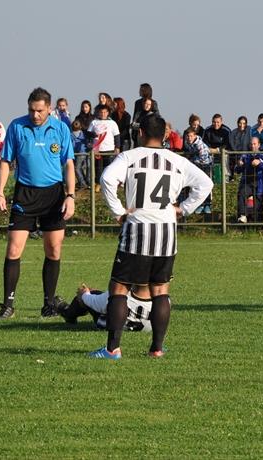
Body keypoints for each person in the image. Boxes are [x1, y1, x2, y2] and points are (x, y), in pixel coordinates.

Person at [90, 114, 213, 359]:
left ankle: (112, 349)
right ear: (165, 135)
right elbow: (206, 184)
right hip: (167, 232)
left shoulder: (129, 157)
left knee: (119, 288)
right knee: (160, 290)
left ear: (140, 133)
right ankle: (156, 349)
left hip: (138, 229)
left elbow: (106, 179)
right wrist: (183, 209)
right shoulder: (177, 160)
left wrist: (118, 212)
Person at [0, 87, 76, 319]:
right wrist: (0, 193)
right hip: (25, 194)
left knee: (53, 249)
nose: (35, 115)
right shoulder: (17, 126)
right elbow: (6, 162)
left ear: (49, 108)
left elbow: (69, 164)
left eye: (40, 110)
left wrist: (70, 196)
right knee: (13, 249)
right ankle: (7, 305)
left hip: (53, 195)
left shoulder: (61, 128)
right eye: (31, 110)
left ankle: (49, 304)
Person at [58, 282, 152, 332]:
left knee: (90, 296)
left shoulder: (120, 295)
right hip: (144, 327)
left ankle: (67, 313)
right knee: (100, 297)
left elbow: (93, 302)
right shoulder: (159, 300)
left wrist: (84, 293)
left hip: (108, 323)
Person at [235, 137, 263, 224]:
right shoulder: (245, 155)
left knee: (258, 206)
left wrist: (259, 163)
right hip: (247, 182)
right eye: (251, 144)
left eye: (254, 144)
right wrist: (239, 165)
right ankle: (242, 215)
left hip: (259, 183)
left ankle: (258, 225)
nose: (253, 146)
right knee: (241, 194)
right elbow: (237, 170)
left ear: (259, 145)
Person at [86, 103, 121, 183]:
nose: (103, 114)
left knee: (108, 168)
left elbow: (117, 135)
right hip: (97, 150)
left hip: (109, 149)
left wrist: (117, 147)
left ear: (108, 113)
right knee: (98, 168)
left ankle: (108, 182)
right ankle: (98, 183)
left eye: (105, 112)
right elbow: (88, 133)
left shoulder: (112, 123)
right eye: (101, 112)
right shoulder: (94, 122)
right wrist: (94, 135)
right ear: (98, 113)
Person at [183, 127, 213, 215]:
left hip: (205, 166)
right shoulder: (188, 143)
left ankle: (207, 204)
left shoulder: (200, 144)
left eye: (191, 136)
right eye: (188, 136)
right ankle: (199, 205)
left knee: (205, 185)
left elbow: (203, 158)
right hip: (197, 166)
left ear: (195, 136)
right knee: (196, 186)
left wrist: (192, 161)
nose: (189, 138)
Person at [203, 114, 232, 183]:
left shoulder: (226, 130)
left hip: (222, 152)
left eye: (218, 122)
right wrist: (210, 149)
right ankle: (209, 180)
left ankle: (226, 180)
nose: (216, 124)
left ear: (221, 122)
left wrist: (217, 149)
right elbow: (204, 143)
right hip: (210, 152)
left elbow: (227, 144)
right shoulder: (207, 130)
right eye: (214, 122)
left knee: (225, 157)